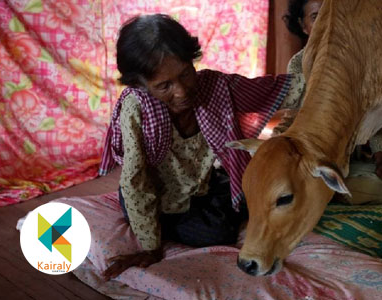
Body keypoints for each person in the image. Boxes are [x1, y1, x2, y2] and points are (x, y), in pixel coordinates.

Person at [99, 14, 303, 279]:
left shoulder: (215, 87)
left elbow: (278, 90)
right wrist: (150, 247)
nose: (181, 91)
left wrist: (334, 79)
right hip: (154, 193)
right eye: (164, 86)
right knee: (212, 231)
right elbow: (136, 181)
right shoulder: (136, 108)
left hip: (201, 186)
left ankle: (173, 222)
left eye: (185, 74)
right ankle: (156, 223)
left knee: (238, 206)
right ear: (140, 84)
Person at [281, 0, 382, 197]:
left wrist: (381, 160)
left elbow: (374, 116)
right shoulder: (298, 65)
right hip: (311, 156)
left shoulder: (360, 63)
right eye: (316, 17)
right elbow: (293, 117)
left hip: (350, 162)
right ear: (303, 26)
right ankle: (324, 190)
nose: (327, 23)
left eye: (332, 15)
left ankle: (326, 192)